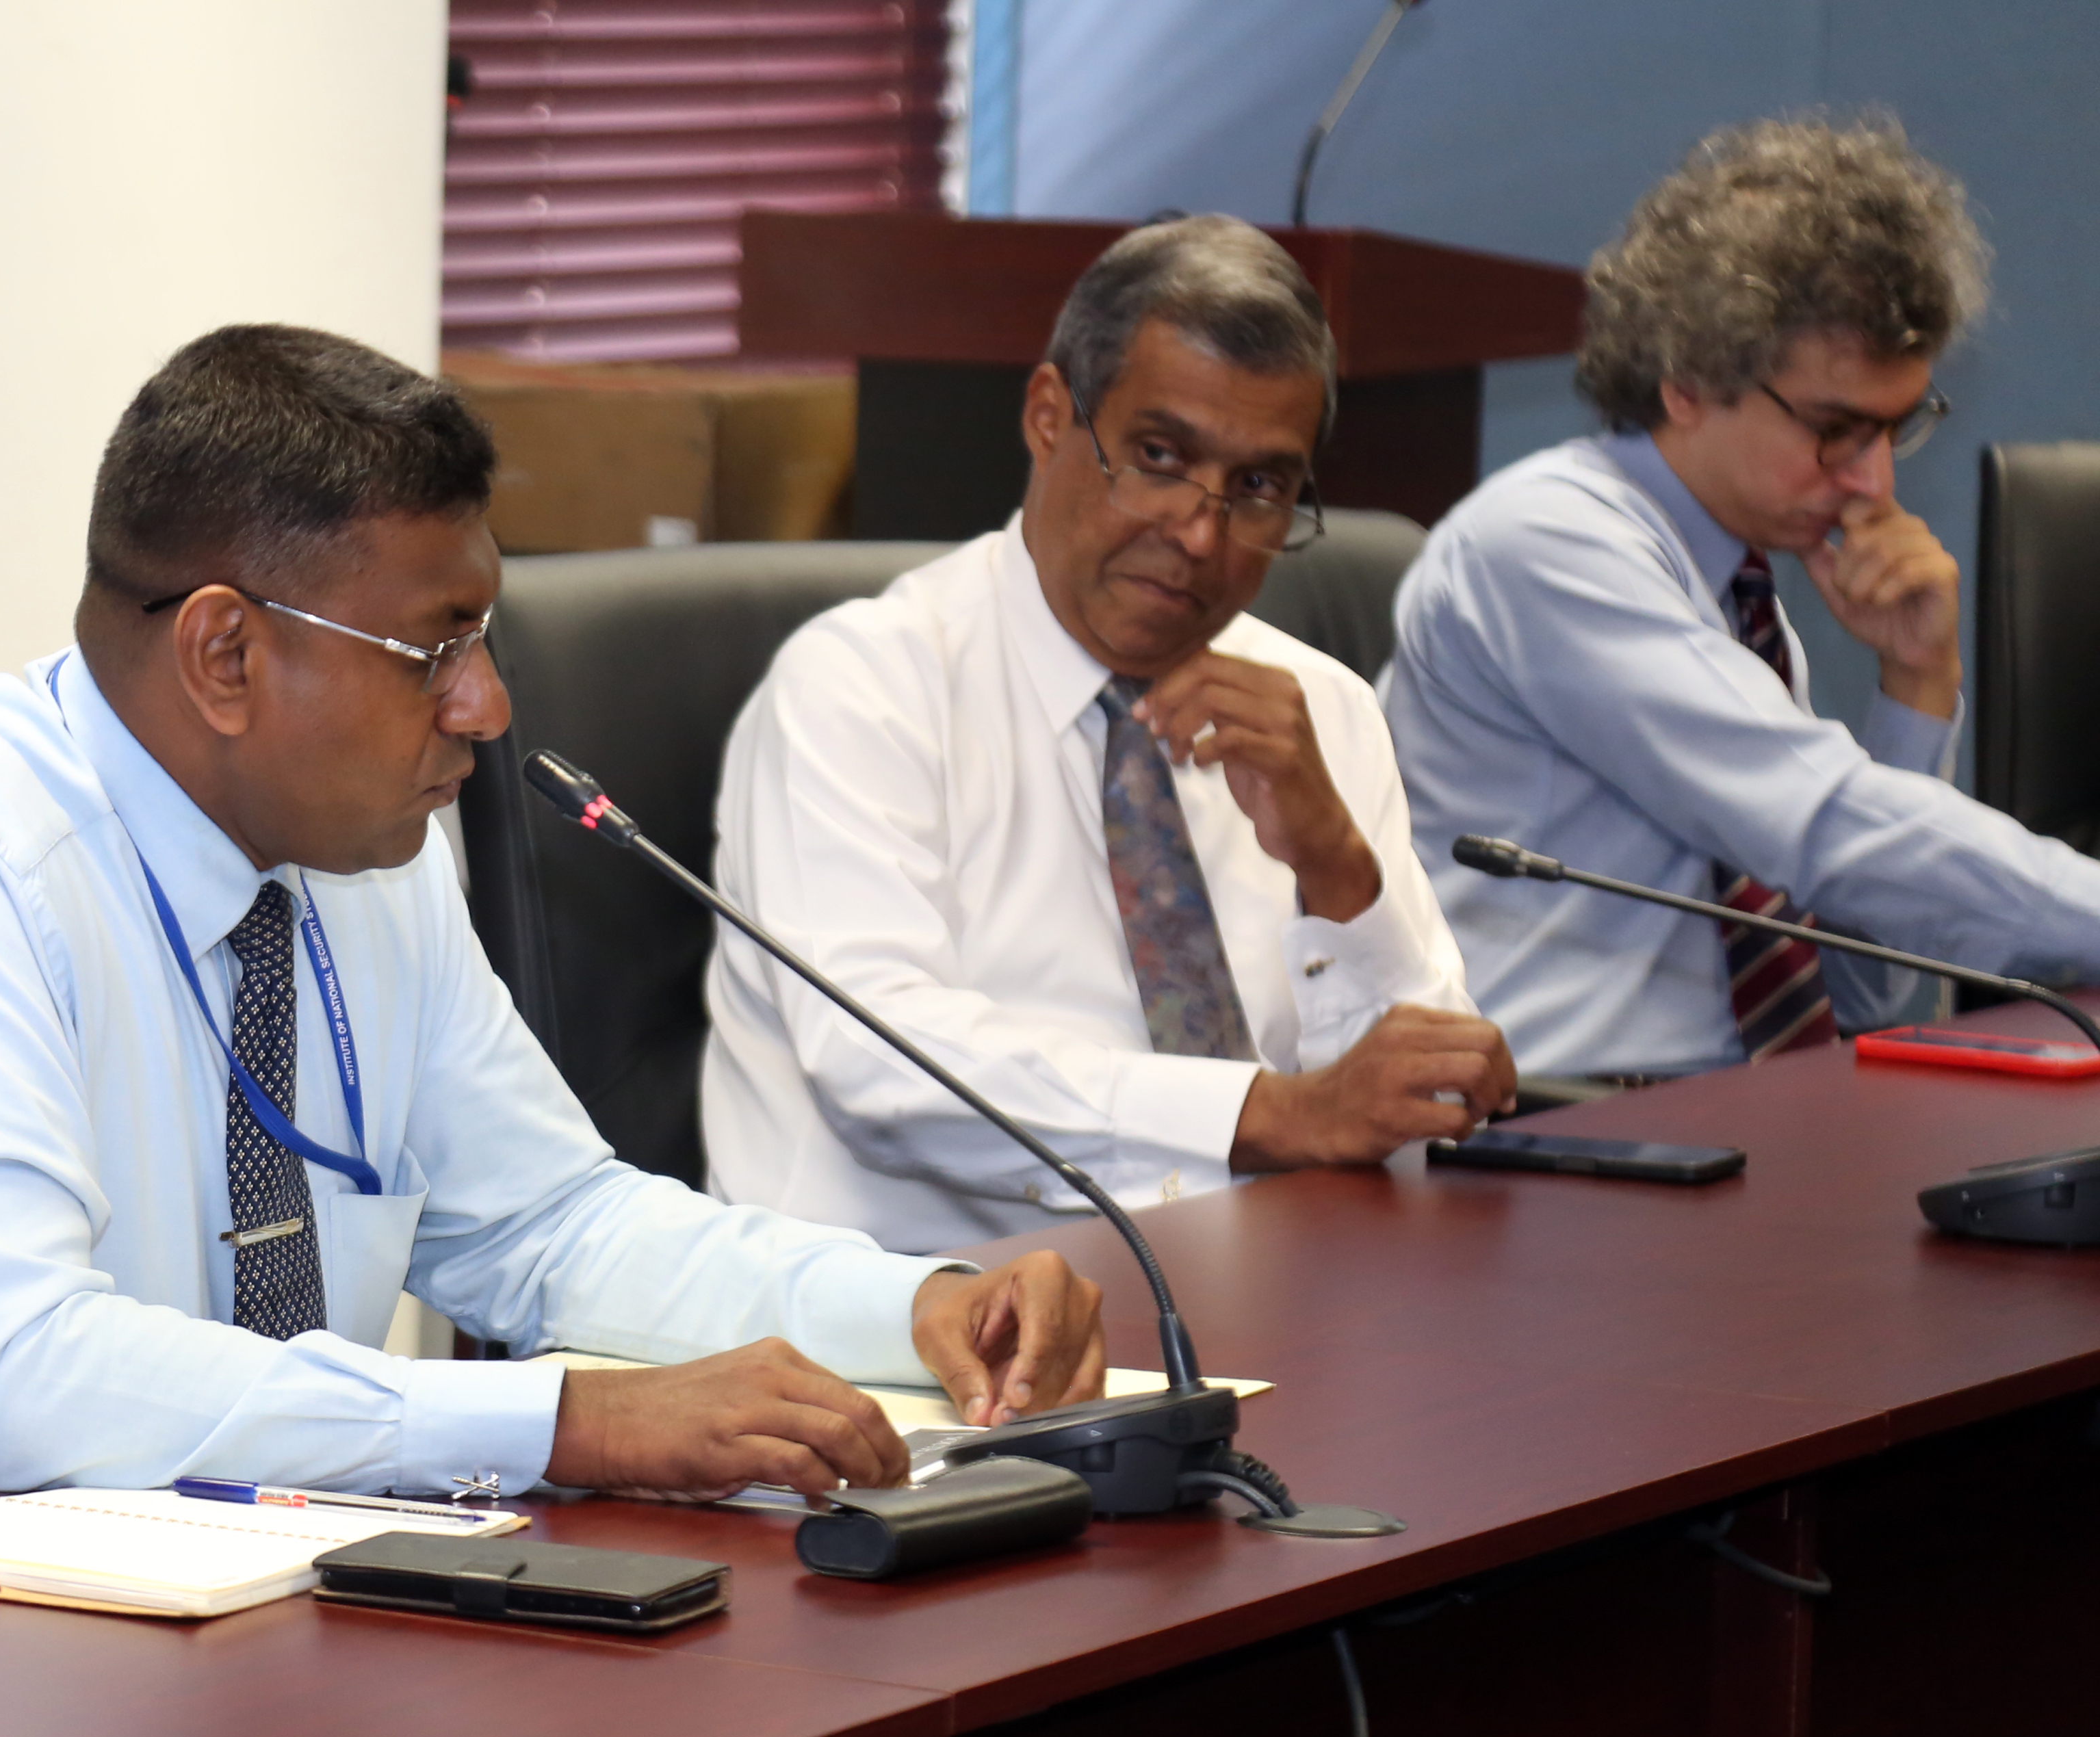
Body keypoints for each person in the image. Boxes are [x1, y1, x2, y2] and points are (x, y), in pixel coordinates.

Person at [0, 326, 1105, 1545]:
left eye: (484, 637)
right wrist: (564, 1422)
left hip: (187, 1597)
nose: (487, 706)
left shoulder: (366, 856)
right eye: (435, 648)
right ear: (225, 653)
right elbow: (10, 1381)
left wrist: (912, 1305)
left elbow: (549, 1225)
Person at [702, 217, 1515, 1257]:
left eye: (1259, 487)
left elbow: (1418, 1105)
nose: (1201, 534)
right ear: (1049, 417)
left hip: (1265, 1297)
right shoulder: (864, 686)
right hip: (914, 1316)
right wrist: (1267, 1115)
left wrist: (1338, 875)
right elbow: (883, 1064)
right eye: (1159, 457)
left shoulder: (1319, 708)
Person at [1382, 116, 2100, 1079]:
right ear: (1687, 380)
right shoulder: (1546, 543)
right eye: (1836, 428)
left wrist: (1917, 682)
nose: (1874, 482)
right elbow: (1826, 825)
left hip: (1723, 1115)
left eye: (1895, 429)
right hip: (1547, 1125)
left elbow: (1862, 991)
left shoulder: (1736, 595)